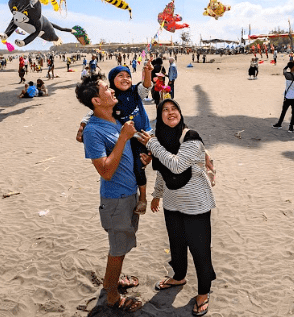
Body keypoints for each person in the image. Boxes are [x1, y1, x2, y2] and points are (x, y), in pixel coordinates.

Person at [74, 74, 150, 312]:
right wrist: (123, 138)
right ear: (97, 101)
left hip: (128, 195)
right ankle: (112, 296)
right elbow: (105, 171)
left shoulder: (114, 120)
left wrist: (142, 161)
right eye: (107, 89)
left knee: (122, 246)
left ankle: (111, 281)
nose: (112, 91)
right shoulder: (93, 131)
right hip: (115, 199)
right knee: (117, 250)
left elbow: (123, 156)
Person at [147, 99, 216, 317]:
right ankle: (179, 276)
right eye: (164, 110)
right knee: (176, 244)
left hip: (196, 204)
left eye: (174, 109)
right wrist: (157, 195)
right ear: (159, 117)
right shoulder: (162, 139)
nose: (170, 113)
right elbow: (162, 171)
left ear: (180, 112)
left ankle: (203, 292)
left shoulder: (191, 137)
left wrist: (152, 144)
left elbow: (176, 164)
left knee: (200, 250)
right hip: (172, 203)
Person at [77, 64, 154, 215]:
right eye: (120, 76)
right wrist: (82, 127)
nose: (125, 79)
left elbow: (146, 86)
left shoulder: (132, 95)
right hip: (116, 198)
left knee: (144, 162)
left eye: (128, 76)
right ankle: (143, 198)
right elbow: (91, 112)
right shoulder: (106, 110)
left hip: (144, 136)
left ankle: (144, 197)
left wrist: (147, 72)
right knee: (138, 165)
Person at [273, 61, 294, 132]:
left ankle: (279, 123)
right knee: (293, 112)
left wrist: (288, 65)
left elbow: (284, 69)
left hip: (287, 96)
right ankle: (291, 127)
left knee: (283, 111)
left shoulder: (286, 74)